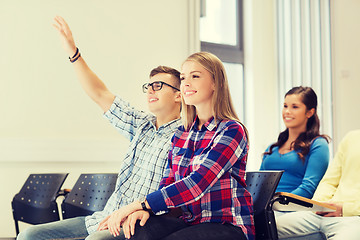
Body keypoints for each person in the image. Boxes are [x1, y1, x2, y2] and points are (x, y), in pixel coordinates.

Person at [17, 16, 182, 240]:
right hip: (103, 218)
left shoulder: (185, 136)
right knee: (30, 236)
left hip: (138, 224)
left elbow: (180, 195)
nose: (150, 90)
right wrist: (73, 53)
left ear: (179, 95)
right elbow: (100, 94)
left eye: (158, 86)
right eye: (148, 86)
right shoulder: (141, 125)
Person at [99, 51, 255, 240]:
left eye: (195, 76)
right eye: (183, 78)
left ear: (216, 83)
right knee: (138, 231)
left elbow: (197, 184)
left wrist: (139, 205)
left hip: (226, 225)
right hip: (189, 222)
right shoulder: (182, 133)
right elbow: (168, 182)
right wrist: (148, 212)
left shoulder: (231, 130)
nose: (186, 83)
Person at [276, 129, 360, 240]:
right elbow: (329, 181)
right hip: (325, 212)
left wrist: (345, 209)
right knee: (265, 228)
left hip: (354, 217)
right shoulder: (351, 137)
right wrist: (320, 205)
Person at [260, 86, 330, 198]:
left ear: (310, 112)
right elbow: (258, 185)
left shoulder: (318, 145)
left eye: (295, 107)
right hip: (266, 210)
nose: (287, 112)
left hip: (290, 209)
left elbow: (308, 188)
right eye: (285, 106)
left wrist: (275, 204)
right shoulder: (271, 148)